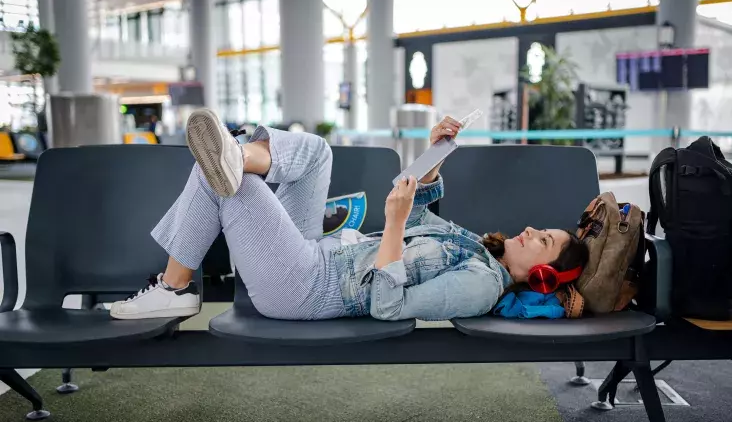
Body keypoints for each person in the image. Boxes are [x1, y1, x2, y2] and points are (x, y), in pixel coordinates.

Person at [110, 109, 588, 322]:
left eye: (543, 240)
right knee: (316, 152)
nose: (531, 230)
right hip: (315, 255)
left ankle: (174, 288)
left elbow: (388, 306)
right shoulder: (478, 247)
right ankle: (234, 156)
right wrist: (434, 158)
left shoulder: (482, 286)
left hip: (308, 288)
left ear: (542, 278)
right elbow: (419, 209)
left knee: (229, 182)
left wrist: (394, 226)